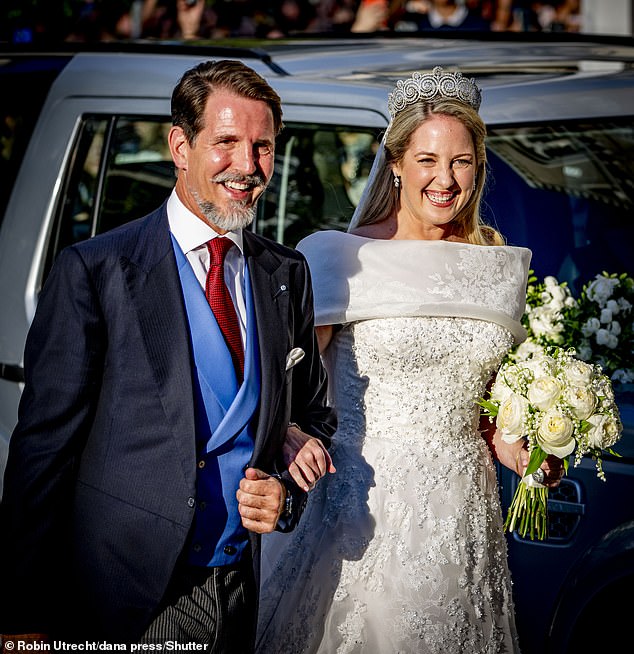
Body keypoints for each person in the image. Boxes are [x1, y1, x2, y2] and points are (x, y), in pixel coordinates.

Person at [0, 59, 336, 649]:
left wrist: (287, 486)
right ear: (180, 145)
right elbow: (42, 455)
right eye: (226, 142)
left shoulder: (285, 273)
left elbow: (312, 416)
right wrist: (23, 612)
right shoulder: (95, 271)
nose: (248, 166)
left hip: (238, 589)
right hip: (120, 595)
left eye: (263, 147)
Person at [256, 66, 564, 653]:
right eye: (427, 160)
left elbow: (491, 414)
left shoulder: (497, 268)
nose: (444, 180)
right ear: (395, 163)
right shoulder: (339, 258)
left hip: (464, 517)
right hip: (362, 514)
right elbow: (286, 395)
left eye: (461, 161)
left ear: (478, 166)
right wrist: (289, 440)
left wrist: (531, 454)